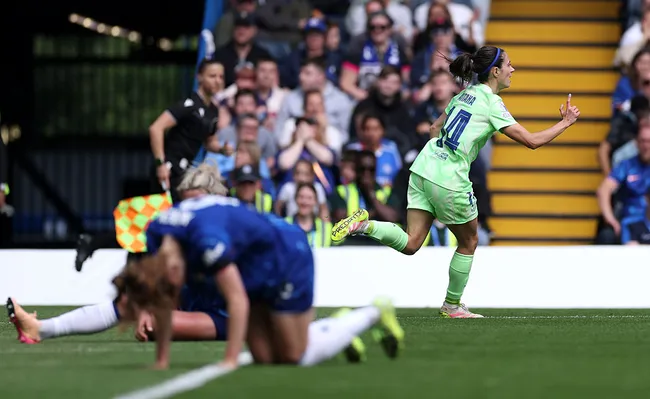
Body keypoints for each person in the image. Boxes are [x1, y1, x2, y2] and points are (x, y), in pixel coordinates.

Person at [330, 46, 581, 318]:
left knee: (412, 242)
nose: (513, 69)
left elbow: (434, 129)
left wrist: (436, 164)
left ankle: (363, 225)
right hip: (449, 178)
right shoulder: (491, 103)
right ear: (495, 72)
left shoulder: (464, 95)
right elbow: (531, 142)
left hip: (424, 168)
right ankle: (452, 305)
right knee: (470, 241)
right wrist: (566, 122)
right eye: (509, 65)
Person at [117, 194, 404, 369]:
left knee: (292, 356)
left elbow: (237, 300)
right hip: (251, 260)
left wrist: (230, 360)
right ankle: (334, 326)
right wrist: (162, 360)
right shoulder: (156, 234)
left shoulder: (207, 242)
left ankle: (372, 312)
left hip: (286, 253)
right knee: (265, 359)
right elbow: (166, 295)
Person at [7, 165, 231, 344]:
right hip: (192, 305)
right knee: (130, 303)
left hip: (226, 315)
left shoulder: (232, 235)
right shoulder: (169, 231)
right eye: (184, 203)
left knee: (156, 322)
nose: (189, 211)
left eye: (198, 204)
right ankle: (42, 329)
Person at [74, 58, 232, 271]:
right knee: (158, 221)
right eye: (212, 76)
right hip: (169, 170)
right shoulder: (188, 104)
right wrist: (161, 163)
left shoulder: (213, 111)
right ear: (200, 77)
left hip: (184, 174)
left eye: (221, 76)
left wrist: (222, 149)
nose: (217, 81)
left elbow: (208, 141)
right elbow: (156, 128)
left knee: (160, 223)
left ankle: (106, 249)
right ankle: (108, 250)